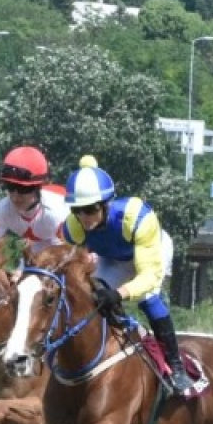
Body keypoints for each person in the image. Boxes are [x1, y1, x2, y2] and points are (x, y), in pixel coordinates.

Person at [60, 155, 191, 396]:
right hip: (113, 258)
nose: (84, 218)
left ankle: (176, 366)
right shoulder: (73, 227)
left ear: (106, 204)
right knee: (90, 298)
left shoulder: (137, 217)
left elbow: (148, 275)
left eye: (90, 210)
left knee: (148, 300)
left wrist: (119, 294)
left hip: (151, 252)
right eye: (78, 211)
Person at [0, 144, 69, 257]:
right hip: (37, 245)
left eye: (23, 189)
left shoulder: (55, 214)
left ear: (38, 187)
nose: (15, 196)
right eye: (10, 186)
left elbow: (65, 252)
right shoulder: (1, 211)